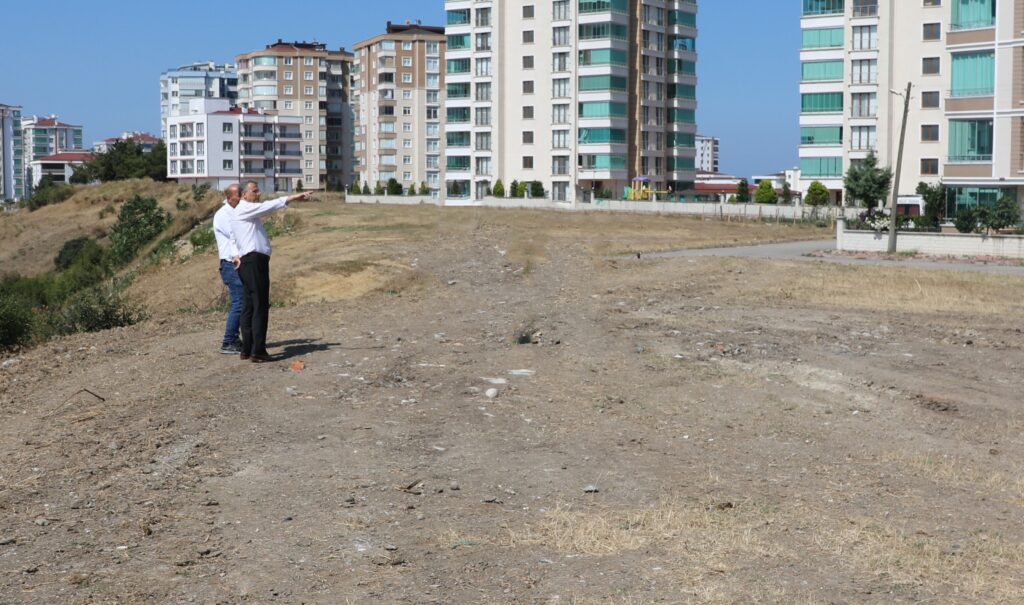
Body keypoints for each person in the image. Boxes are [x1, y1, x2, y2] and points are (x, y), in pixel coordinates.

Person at [231, 181, 312, 363]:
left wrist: (234, 254)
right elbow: (268, 207)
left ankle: (248, 349)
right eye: (254, 190)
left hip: (248, 262)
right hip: (253, 262)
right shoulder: (245, 209)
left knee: (250, 306)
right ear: (244, 195)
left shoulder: (243, 212)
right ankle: (258, 351)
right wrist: (291, 197)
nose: (258, 194)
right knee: (259, 306)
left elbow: (234, 238)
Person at [212, 183, 244, 354]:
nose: (242, 197)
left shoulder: (235, 212)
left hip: (237, 262)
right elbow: (234, 237)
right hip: (230, 263)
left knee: (243, 300)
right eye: (240, 194)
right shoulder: (223, 215)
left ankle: (236, 339)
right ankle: (229, 340)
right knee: (239, 301)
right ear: (230, 197)